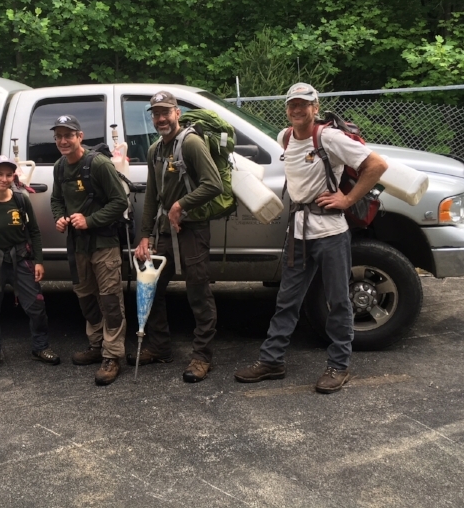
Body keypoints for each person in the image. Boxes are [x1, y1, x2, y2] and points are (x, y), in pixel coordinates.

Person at [234, 82, 388, 393]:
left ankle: (339, 366)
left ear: (315, 108)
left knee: (338, 302)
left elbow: (377, 165)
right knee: (287, 299)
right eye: (292, 103)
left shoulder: (328, 137)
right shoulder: (286, 136)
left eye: (304, 104)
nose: (297, 109)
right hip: (299, 232)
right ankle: (272, 360)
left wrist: (346, 200)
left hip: (331, 233)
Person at [133, 91, 223, 383]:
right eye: (156, 114)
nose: (161, 118)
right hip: (163, 231)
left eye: (165, 112)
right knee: (152, 287)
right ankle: (159, 347)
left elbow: (214, 184)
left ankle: (202, 357)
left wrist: (180, 204)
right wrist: (144, 236)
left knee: (198, 293)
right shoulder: (155, 150)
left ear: (177, 114)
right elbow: (151, 197)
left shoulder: (192, 143)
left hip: (193, 229)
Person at [50, 115, 129, 386]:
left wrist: (90, 221)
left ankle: (113, 355)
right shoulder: (60, 167)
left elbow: (120, 202)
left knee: (109, 299)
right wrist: (59, 217)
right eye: (58, 136)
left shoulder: (98, 164)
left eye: (68, 135)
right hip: (78, 245)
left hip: (104, 243)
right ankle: (96, 346)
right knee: (86, 297)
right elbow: (56, 199)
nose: (63, 141)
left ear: (79, 136)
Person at [0, 155, 60, 373]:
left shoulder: (21, 200)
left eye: (9, 174)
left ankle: (40, 347)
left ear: (13, 176)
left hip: (21, 261)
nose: (4, 178)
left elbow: (34, 232)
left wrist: (38, 261)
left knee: (36, 307)